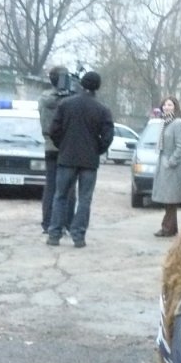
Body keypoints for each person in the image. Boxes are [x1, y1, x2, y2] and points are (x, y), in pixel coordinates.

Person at [46, 71, 114, 248]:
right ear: (97, 87)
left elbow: (53, 130)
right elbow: (107, 137)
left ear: (81, 84)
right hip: (89, 161)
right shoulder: (102, 110)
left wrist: (63, 145)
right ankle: (78, 236)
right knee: (85, 199)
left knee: (60, 196)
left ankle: (54, 234)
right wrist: (97, 149)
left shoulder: (65, 104)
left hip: (66, 157)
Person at [38, 66, 76, 234]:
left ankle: (47, 222)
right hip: (66, 147)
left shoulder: (43, 98)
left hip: (49, 146)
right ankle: (66, 222)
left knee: (51, 187)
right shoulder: (67, 100)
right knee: (68, 188)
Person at [151, 96, 181, 237]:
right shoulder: (164, 122)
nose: (166, 107)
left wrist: (171, 161)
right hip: (162, 163)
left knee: (170, 198)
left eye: (170, 105)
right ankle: (172, 228)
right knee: (167, 198)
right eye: (165, 105)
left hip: (171, 166)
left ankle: (167, 228)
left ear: (175, 107)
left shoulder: (177, 123)